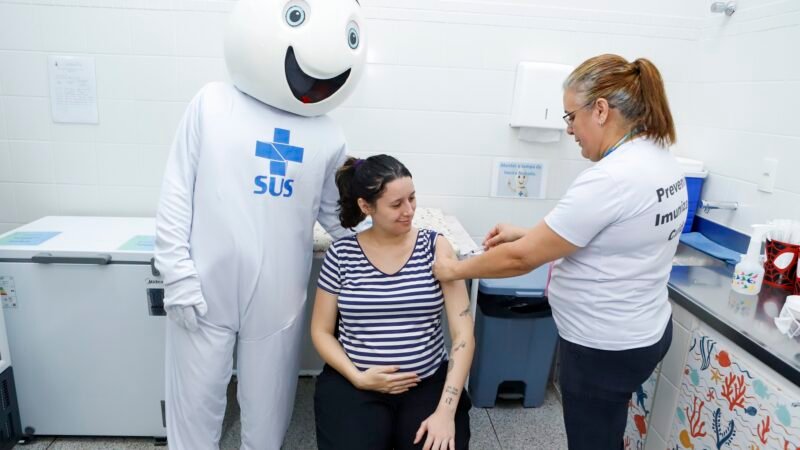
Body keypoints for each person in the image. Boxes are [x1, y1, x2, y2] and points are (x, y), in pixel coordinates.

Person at [433, 54, 686, 450]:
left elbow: (521, 259)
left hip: (603, 346)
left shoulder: (610, 178)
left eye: (570, 116)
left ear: (600, 110)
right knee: (605, 429)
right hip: (644, 328)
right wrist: (526, 234)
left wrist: (454, 270)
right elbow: (611, 236)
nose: (569, 129)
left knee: (592, 441)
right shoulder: (658, 158)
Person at [153, 0, 367, 448]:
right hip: (204, 285)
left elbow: (333, 214)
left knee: (269, 411)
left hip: (278, 295)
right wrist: (176, 274)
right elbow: (176, 192)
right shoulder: (213, 103)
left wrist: (384, 240)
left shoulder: (328, 133)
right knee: (194, 406)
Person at [311, 155, 474, 450]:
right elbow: (321, 331)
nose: (409, 211)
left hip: (426, 382)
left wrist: (446, 412)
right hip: (356, 383)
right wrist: (358, 378)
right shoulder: (342, 255)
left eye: (412, 198)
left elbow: (463, 334)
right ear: (366, 206)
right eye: (396, 204)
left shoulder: (435, 247)